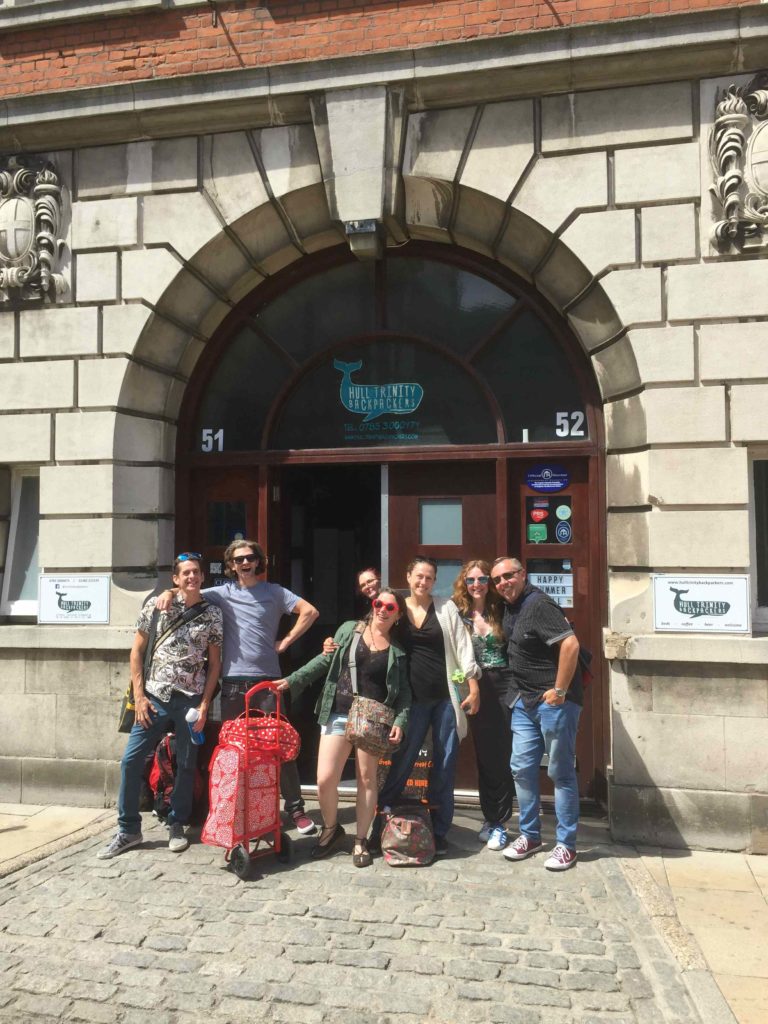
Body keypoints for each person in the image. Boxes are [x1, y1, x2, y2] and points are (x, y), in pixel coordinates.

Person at [156, 539, 320, 836]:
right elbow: (189, 590)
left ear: (258, 562)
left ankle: (295, 809)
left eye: (250, 558)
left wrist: (285, 642)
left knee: (279, 747)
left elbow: (310, 612)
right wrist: (168, 591)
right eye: (239, 559)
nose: (245, 563)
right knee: (234, 751)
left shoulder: (275, 592)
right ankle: (236, 808)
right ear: (231, 565)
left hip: (267, 683)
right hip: (232, 684)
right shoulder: (223, 593)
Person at [98, 553, 223, 858]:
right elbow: (136, 653)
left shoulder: (212, 614)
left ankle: (177, 822)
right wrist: (139, 697)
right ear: (176, 579)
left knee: (186, 764)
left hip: (190, 701)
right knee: (131, 760)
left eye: (196, 572)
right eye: (185, 573)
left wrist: (206, 704)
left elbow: (215, 664)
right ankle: (128, 829)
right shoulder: (156, 607)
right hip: (154, 698)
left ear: (203, 577)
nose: (191, 577)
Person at [276, 588, 410, 866]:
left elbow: (404, 694)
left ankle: (360, 840)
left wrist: (400, 720)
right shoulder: (349, 630)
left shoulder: (398, 651)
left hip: (372, 721)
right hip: (338, 713)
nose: (382, 610)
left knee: (367, 779)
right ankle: (331, 829)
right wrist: (293, 680)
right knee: (325, 779)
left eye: (390, 607)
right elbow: (325, 661)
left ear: (398, 615)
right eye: (378, 604)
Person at [373, 557, 480, 856]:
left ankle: (439, 828)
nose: (423, 582)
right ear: (408, 577)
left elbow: (463, 647)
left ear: (434, 581)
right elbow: (372, 631)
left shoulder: (446, 608)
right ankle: (381, 819)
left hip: (445, 697)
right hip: (411, 700)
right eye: (418, 576)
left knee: (445, 763)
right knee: (403, 760)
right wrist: (335, 642)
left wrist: (472, 684)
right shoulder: (396, 608)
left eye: (429, 578)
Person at [491, 556, 583, 871]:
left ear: (523, 574)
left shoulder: (539, 604)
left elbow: (570, 645)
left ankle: (566, 845)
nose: (503, 583)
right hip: (525, 702)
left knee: (560, 772)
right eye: (498, 579)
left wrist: (559, 691)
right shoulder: (510, 608)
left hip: (553, 702)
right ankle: (530, 836)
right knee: (521, 768)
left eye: (508, 576)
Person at [451, 559, 514, 852]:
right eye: (471, 580)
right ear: (465, 583)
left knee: (507, 755)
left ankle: (501, 821)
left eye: (482, 579)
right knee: (487, 756)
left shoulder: (502, 608)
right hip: (475, 688)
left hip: (506, 685)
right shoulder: (457, 613)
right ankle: (493, 819)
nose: (477, 585)